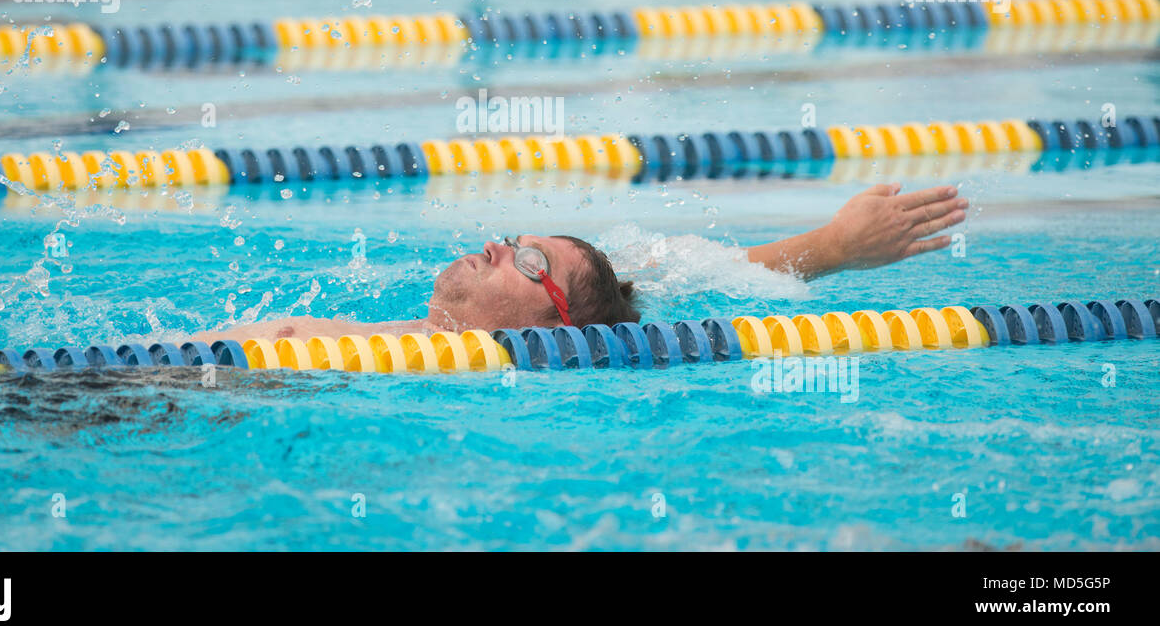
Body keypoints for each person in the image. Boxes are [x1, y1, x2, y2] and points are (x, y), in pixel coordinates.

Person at [190, 182, 967, 344]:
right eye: (518, 240)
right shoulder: (549, 318)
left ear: (547, 322)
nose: (498, 244)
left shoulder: (432, 359)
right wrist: (831, 247)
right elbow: (666, 272)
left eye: (528, 259)